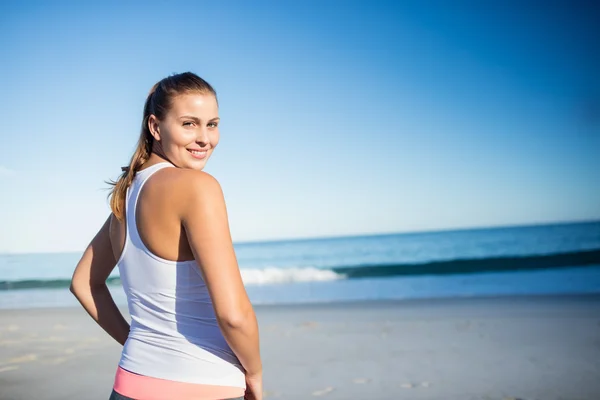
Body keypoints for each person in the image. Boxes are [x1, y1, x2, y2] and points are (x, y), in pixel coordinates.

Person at [70, 72, 262, 400]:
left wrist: (139, 341)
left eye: (212, 124)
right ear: (156, 127)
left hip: (131, 382)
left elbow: (83, 283)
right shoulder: (198, 187)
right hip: (205, 385)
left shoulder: (126, 195)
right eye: (189, 124)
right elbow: (233, 314)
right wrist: (255, 373)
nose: (205, 138)